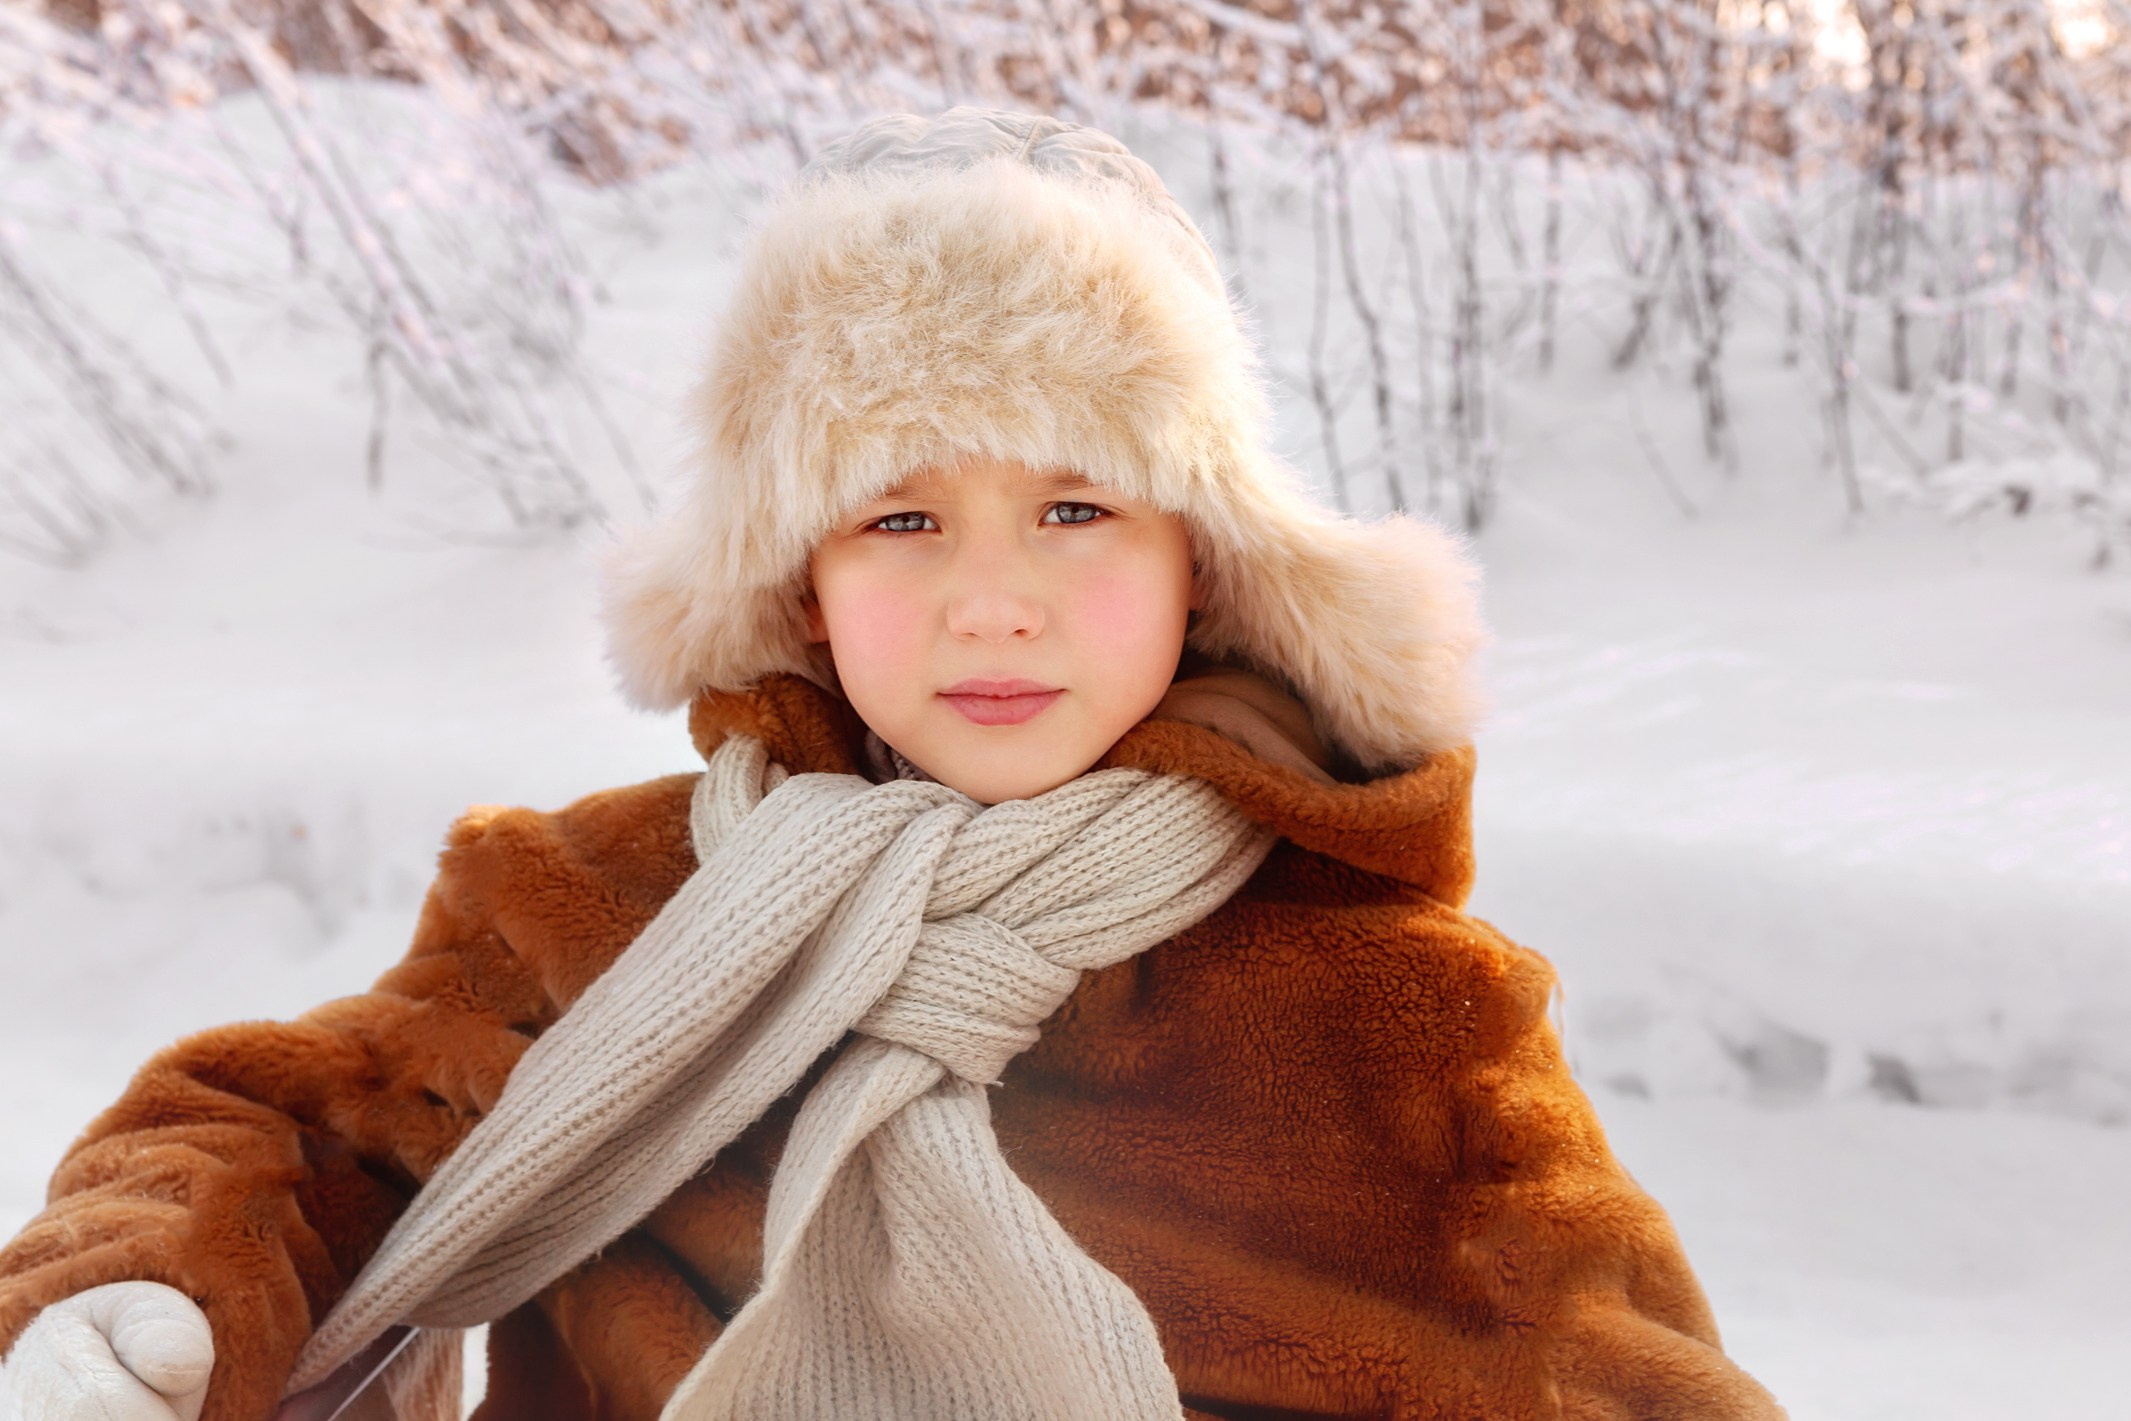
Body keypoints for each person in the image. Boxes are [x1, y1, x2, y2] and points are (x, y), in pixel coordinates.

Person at [0, 107, 1785, 1421]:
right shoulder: (600, 906)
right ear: (802, 579)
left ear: (1205, 565)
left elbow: (1599, 1353)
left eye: (1076, 509)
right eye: (904, 517)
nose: (992, 604)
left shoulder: (1382, 1005)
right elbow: (298, 1123)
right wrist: (147, 1282)